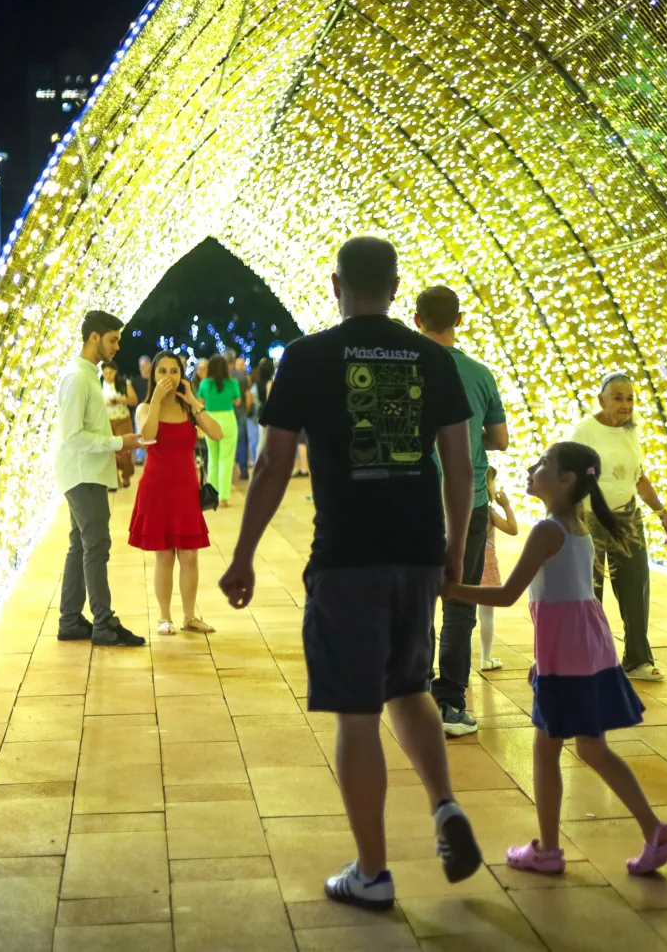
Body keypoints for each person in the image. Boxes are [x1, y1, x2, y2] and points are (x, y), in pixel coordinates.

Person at [219, 236, 481, 910]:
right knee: (410, 686)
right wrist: (453, 548)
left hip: (347, 557)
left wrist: (243, 555)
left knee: (358, 714)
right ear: (395, 288)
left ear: (336, 286)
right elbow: (459, 463)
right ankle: (445, 804)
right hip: (417, 550)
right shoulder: (433, 357)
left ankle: (372, 871)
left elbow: (273, 464)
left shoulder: (307, 358)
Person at [444, 441, 667, 875]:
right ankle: (654, 832)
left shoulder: (546, 531)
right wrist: (544, 660)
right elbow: (568, 601)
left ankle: (548, 850)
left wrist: (449, 589)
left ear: (566, 480)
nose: (532, 468)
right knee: (593, 749)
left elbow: (508, 594)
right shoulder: (577, 527)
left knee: (546, 750)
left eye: (543, 463)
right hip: (589, 651)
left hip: (568, 656)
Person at [415, 285, 509, 737]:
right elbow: (500, 439)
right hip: (468, 502)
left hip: (413, 501)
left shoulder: (405, 370)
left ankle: (414, 697)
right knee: (460, 602)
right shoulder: (479, 373)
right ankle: (451, 702)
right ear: (460, 320)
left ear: (417, 321)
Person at [571, 372, 667, 682]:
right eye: (618, 398)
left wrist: (660, 510)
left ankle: (637, 660)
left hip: (628, 516)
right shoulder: (584, 431)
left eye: (630, 398)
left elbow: (638, 475)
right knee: (588, 591)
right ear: (601, 400)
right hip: (589, 517)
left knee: (635, 587)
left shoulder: (631, 429)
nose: (625, 405)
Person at [55, 311, 145, 647]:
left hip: (86, 471)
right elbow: (73, 436)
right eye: (112, 340)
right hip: (82, 474)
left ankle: (70, 620)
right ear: (94, 337)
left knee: (81, 545)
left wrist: (113, 445)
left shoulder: (87, 375)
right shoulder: (77, 378)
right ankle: (104, 624)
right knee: (96, 547)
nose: (117, 347)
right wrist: (119, 443)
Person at [131, 350, 222, 636]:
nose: (168, 377)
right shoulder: (145, 407)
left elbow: (217, 433)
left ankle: (189, 616)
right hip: (156, 489)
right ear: (153, 375)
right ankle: (164, 617)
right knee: (165, 557)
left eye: (174, 371)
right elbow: (146, 437)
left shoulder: (188, 408)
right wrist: (157, 400)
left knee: (190, 556)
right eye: (162, 371)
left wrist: (193, 402)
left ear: (182, 375)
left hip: (186, 490)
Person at [478, 465, 518, 670]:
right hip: (487, 563)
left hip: (464, 561)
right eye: (492, 481)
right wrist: (507, 506)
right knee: (486, 614)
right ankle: (485, 658)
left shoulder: (462, 507)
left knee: (460, 613)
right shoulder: (489, 512)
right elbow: (513, 529)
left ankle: (458, 660)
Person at [198, 354, 240, 509]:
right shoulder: (232, 383)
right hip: (228, 421)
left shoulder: (204, 384)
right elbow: (237, 401)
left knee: (213, 459)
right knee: (226, 460)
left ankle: (213, 496)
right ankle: (223, 498)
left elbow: (200, 403)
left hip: (210, 421)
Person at [100, 360, 138, 489]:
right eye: (105, 373)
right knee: (109, 452)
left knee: (124, 450)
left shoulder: (124, 384)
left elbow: (134, 400)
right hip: (106, 421)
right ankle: (113, 481)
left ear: (115, 372)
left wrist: (121, 399)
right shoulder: (99, 385)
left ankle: (126, 475)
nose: (108, 376)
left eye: (110, 373)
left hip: (122, 420)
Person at [227, 350, 254, 481]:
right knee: (242, 440)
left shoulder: (223, 377)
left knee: (227, 440)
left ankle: (229, 470)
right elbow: (248, 395)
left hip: (226, 412)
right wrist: (246, 409)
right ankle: (244, 469)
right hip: (241, 411)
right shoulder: (242, 376)